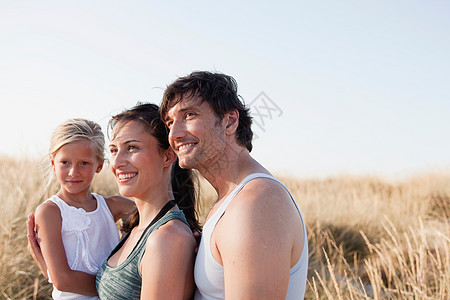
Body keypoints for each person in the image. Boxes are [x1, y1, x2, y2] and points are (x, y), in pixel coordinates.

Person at [160, 71, 308, 299]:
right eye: (170, 122)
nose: (174, 133)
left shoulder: (257, 202)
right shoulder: (232, 201)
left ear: (229, 121)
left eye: (189, 115)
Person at [28, 104, 200, 299]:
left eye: (132, 147)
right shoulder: (140, 227)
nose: (117, 162)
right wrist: (52, 273)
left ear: (168, 155)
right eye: (114, 150)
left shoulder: (166, 238)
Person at [30, 118, 136, 299]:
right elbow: (62, 279)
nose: (73, 172)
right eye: (65, 162)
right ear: (53, 163)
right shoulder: (51, 212)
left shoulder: (114, 206)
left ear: (100, 165)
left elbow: (155, 215)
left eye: (84, 163)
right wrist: (120, 289)